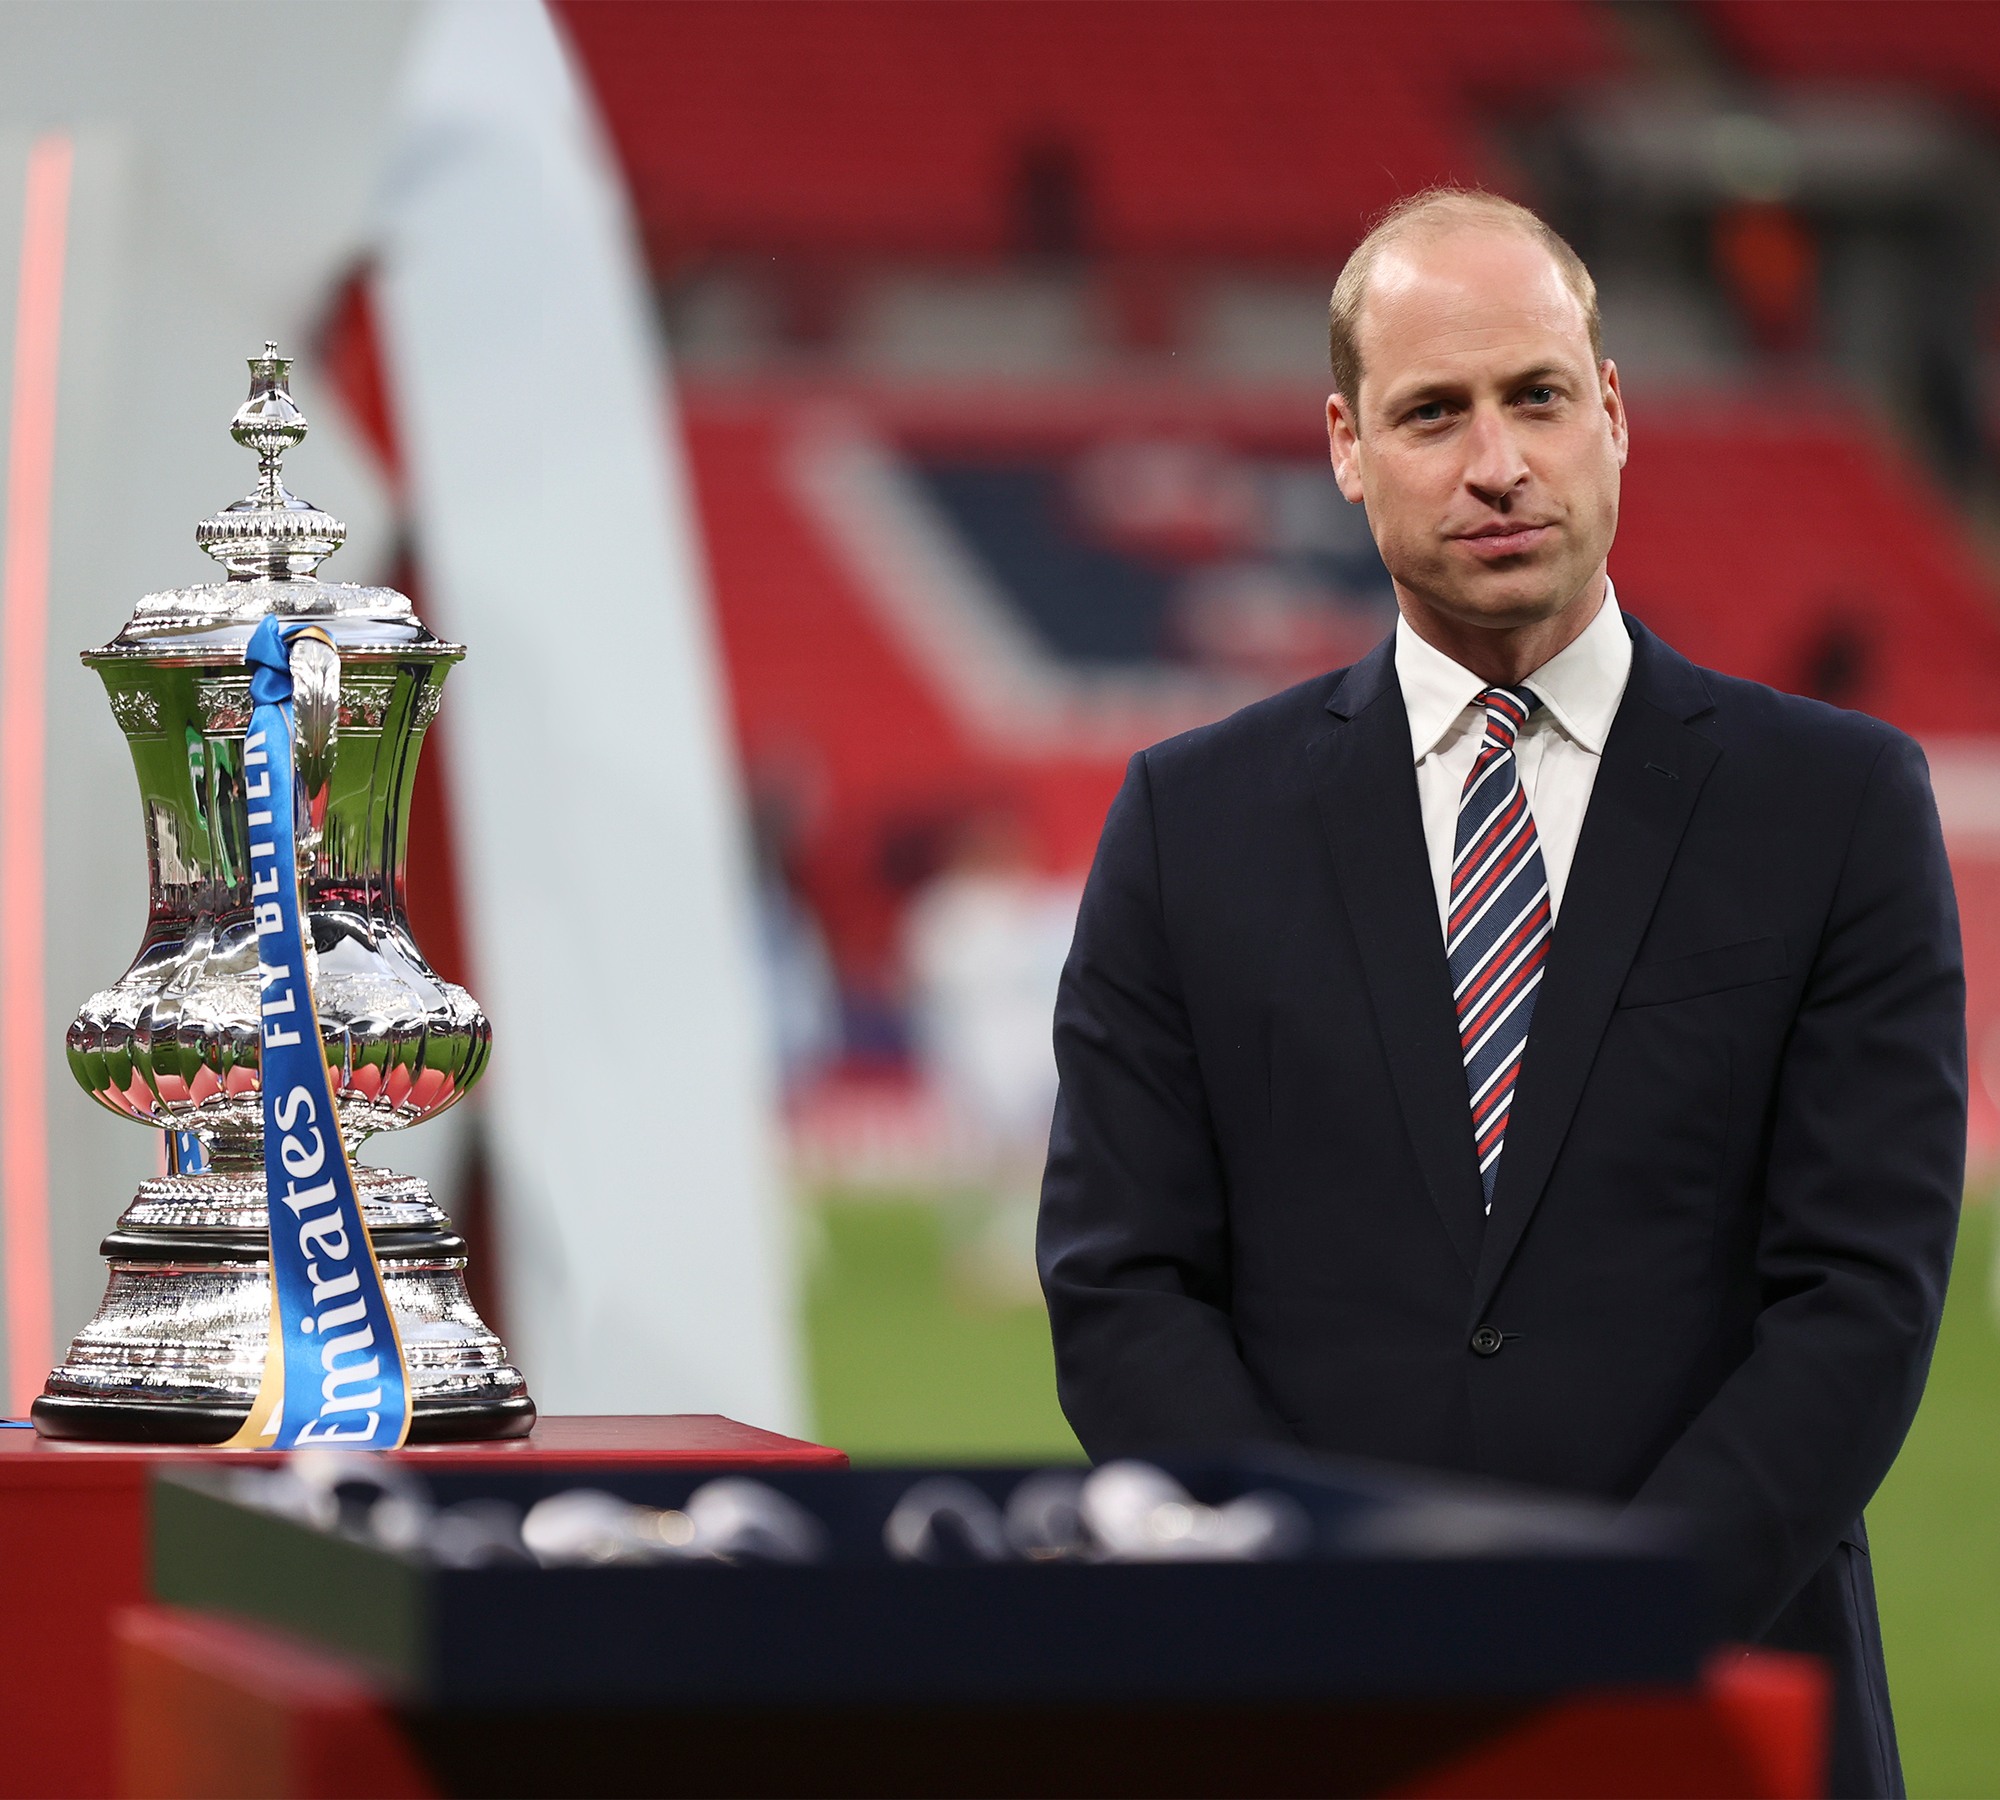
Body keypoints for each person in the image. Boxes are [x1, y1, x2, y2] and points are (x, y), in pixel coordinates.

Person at [1037, 188, 1963, 1800]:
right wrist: (1333, 1608)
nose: (1496, 461)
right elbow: (1123, 1288)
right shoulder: (1190, 826)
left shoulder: (1838, 807)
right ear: (1343, 443)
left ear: (1611, 410)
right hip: (1310, 1722)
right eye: (1431, 412)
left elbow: (1863, 1296)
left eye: (1536, 394)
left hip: (1727, 1710)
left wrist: (1613, 1626)